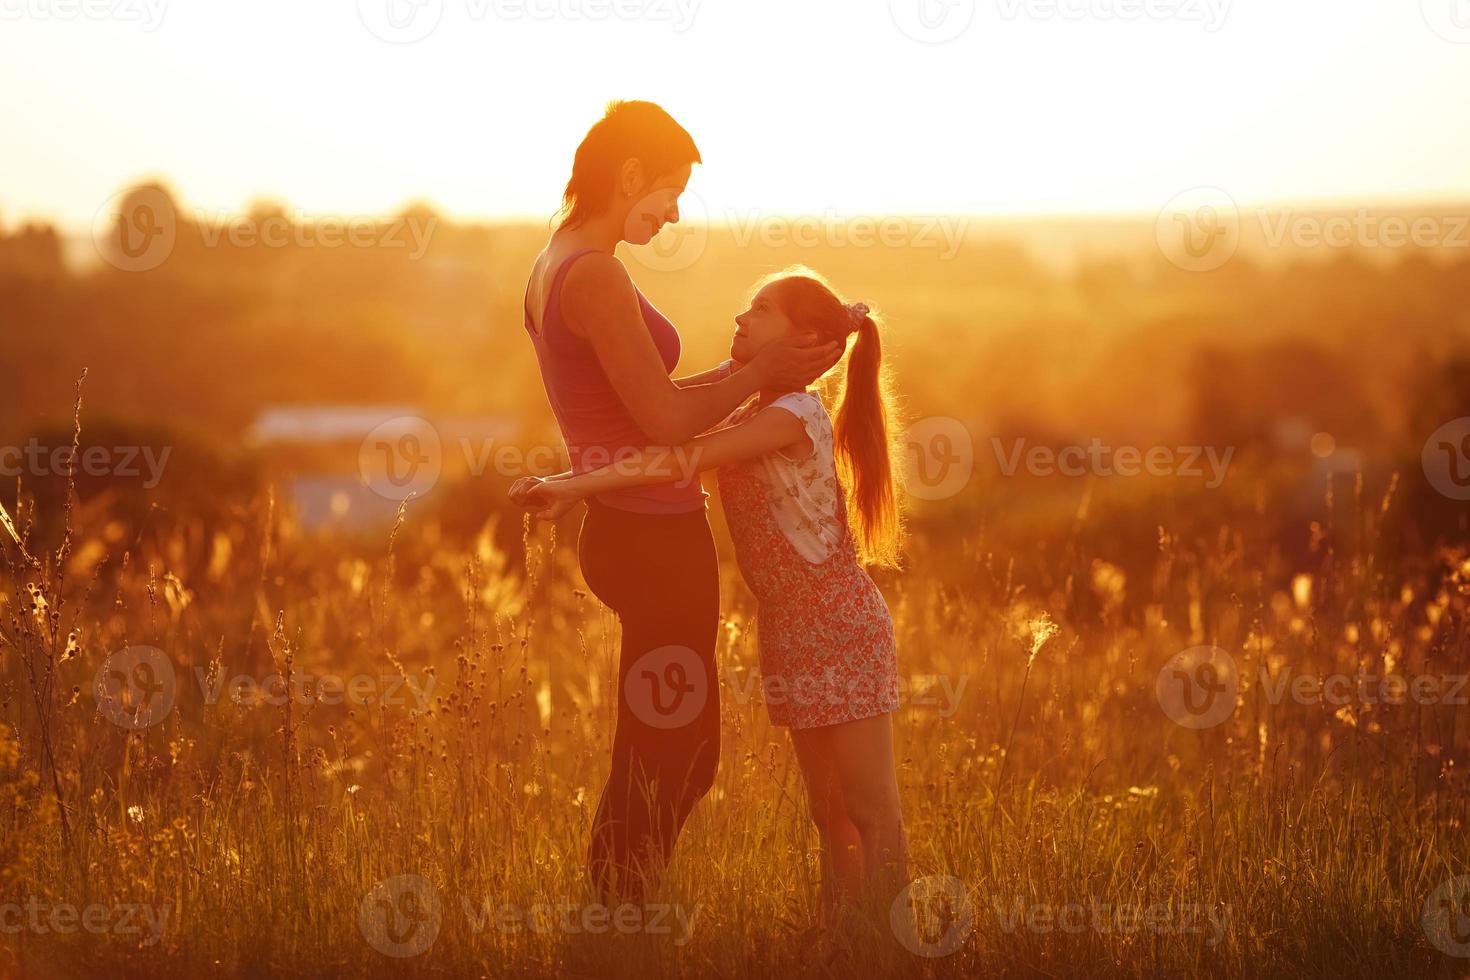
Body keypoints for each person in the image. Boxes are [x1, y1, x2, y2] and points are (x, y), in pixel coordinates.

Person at [514, 267, 908, 923]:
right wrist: (579, 476)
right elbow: (667, 416)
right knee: (828, 809)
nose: (740, 318)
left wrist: (572, 485)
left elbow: (679, 458)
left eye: (760, 309)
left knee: (871, 807)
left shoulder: (793, 415)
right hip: (789, 631)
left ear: (803, 337)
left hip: (840, 625)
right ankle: (843, 941)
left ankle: (895, 949)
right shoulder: (758, 408)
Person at [522, 101, 841, 903]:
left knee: (669, 747)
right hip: (651, 539)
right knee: (675, 754)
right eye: (668, 191)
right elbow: (666, 420)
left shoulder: (560, 259)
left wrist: (760, 378)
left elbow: (654, 400)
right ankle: (616, 909)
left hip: (628, 526)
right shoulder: (592, 274)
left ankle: (620, 906)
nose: (673, 214)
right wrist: (758, 378)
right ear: (628, 175)